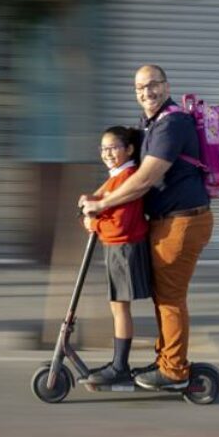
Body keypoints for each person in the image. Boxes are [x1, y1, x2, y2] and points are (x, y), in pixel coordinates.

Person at [80, 65, 213, 390]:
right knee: (163, 295)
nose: (146, 92)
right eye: (140, 88)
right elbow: (123, 167)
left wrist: (102, 205)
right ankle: (166, 359)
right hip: (169, 222)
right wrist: (98, 196)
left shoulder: (172, 124)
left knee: (170, 297)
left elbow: (145, 178)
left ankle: (175, 371)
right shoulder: (151, 125)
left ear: (166, 86)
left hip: (183, 222)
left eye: (153, 85)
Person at [81, 126, 152, 385]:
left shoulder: (128, 176)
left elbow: (119, 224)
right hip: (117, 248)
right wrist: (88, 202)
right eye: (103, 148)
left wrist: (94, 223)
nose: (107, 153)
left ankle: (120, 366)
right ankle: (118, 363)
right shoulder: (118, 176)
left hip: (124, 249)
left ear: (129, 149)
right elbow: (101, 198)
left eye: (113, 147)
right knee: (117, 308)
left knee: (120, 308)